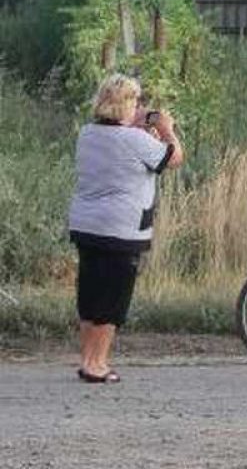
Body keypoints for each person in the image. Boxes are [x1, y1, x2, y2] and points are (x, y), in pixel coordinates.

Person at [67, 74, 185, 383]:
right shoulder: (136, 140)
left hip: (86, 225)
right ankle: (99, 364)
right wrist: (166, 128)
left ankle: (87, 360)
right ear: (125, 105)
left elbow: (120, 144)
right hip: (121, 230)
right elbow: (174, 159)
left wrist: (140, 125)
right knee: (113, 299)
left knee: (90, 295)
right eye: (135, 101)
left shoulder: (87, 133)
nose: (139, 106)